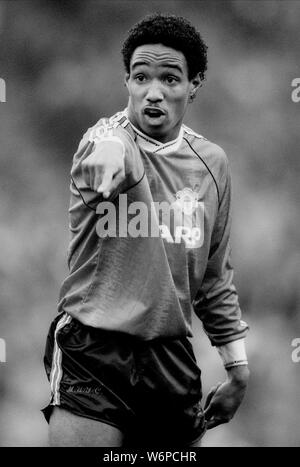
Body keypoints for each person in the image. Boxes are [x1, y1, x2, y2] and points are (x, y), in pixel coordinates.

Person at [42, 13, 249, 447]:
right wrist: (110, 154)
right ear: (127, 82)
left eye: (170, 79)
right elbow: (106, 145)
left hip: (169, 357)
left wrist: (236, 366)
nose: (153, 92)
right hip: (93, 349)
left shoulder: (212, 165)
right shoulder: (103, 140)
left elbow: (213, 278)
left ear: (195, 84)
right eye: (140, 77)